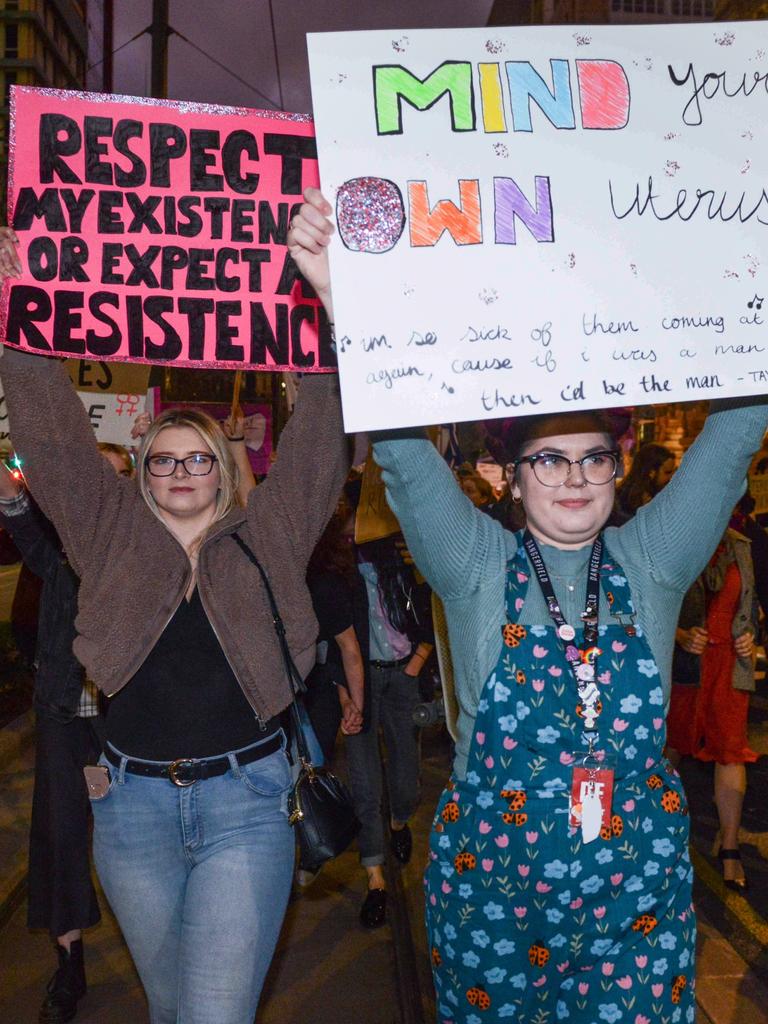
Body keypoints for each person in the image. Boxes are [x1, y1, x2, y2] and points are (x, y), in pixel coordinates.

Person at [287, 187, 768, 1023]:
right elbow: (400, 446)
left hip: (634, 893)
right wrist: (342, 299)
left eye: (593, 460)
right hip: (497, 893)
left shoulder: (650, 558)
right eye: (549, 461)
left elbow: (734, 438)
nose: (576, 478)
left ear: (619, 469)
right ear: (504, 477)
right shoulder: (477, 563)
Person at [0, 223, 348, 1024]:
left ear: (224, 470)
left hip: (250, 805)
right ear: (144, 471)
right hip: (130, 815)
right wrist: (19, 308)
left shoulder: (271, 534)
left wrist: (325, 306)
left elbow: (319, 446)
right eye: (163, 457)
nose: (181, 470)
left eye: (199, 457)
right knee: (171, 1011)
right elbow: (52, 444)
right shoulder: (108, 533)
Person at [0, 443, 133, 1024]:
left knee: (137, 839)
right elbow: (14, 505)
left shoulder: (149, 551)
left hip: (129, 724)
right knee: (60, 839)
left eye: (114, 476)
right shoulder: (56, 551)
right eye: (89, 476)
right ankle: (69, 962)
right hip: (62, 716)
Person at [667, 521, 759, 891]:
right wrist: (680, 634)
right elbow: (646, 605)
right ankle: (662, 835)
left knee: (730, 750)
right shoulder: (674, 538)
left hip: (729, 666)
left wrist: (751, 636)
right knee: (670, 747)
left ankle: (730, 843)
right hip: (686, 665)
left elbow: (751, 609)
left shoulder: (741, 545)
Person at [351, 533, 434, 928]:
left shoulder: (405, 555)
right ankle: (375, 878)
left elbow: (434, 607)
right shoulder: (338, 565)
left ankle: (400, 820)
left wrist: (417, 661)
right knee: (365, 782)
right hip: (359, 679)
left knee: (404, 772)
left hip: (402, 675)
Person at [614, 441, 676, 523]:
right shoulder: (626, 498)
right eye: (667, 472)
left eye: (674, 472)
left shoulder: (661, 492)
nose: (672, 477)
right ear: (651, 472)